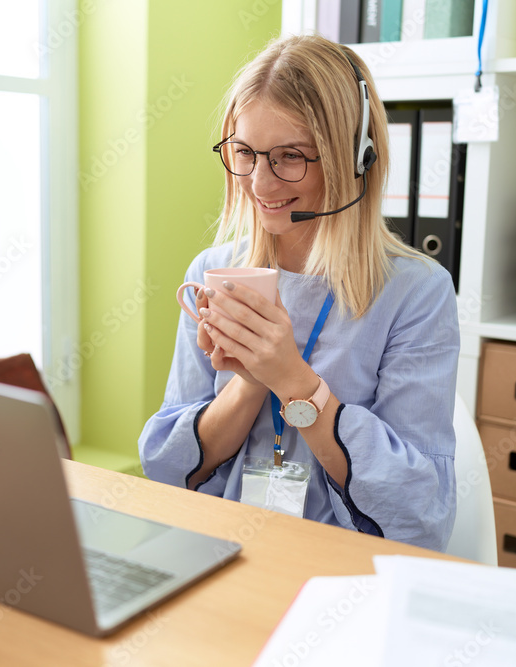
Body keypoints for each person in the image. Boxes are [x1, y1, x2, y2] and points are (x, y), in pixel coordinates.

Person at [138, 33, 460, 551]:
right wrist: (248, 382)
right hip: (222, 549)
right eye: (244, 152)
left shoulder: (417, 293)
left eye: (290, 156)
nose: (260, 184)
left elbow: (421, 510)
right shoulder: (215, 269)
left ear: (355, 158)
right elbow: (167, 471)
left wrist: (293, 381)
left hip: (342, 567)